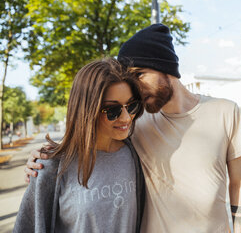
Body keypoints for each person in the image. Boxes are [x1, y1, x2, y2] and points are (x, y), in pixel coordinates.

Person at [25, 24, 241, 233]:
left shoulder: (226, 112)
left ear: (167, 68)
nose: (135, 87)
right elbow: (93, 125)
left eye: (139, 74)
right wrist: (48, 158)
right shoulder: (135, 121)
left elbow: (238, 182)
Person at [16, 58, 145, 233]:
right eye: (112, 110)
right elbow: (27, 227)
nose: (125, 118)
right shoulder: (51, 165)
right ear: (87, 110)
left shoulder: (137, 153)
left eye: (131, 106)